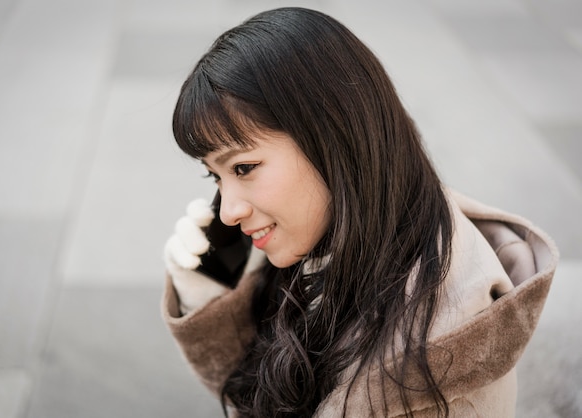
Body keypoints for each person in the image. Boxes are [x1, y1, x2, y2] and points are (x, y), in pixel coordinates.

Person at [162, 7, 558, 418]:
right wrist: (205, 299)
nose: (228, 212)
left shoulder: (425, 361)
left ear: (333, 138)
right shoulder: (356, 231)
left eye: (244, 168)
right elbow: (266, 394)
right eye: (216, 178)